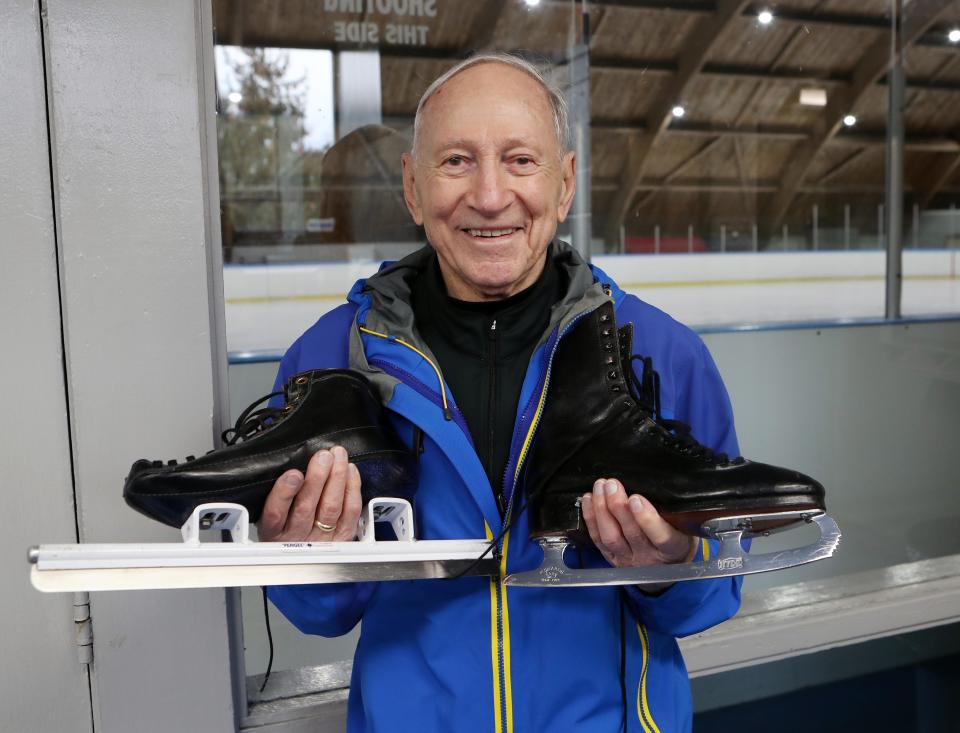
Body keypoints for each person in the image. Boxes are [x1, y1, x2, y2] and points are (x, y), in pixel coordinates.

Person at [259, 52, 742, 733]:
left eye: (520, 160)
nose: (489, 196)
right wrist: (308, 555)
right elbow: (323, 615)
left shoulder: (660, 356)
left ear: (566, 181)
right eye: (457, 161)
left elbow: (711, 597)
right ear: (413, 186)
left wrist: (669, 565)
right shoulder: (330, 361)